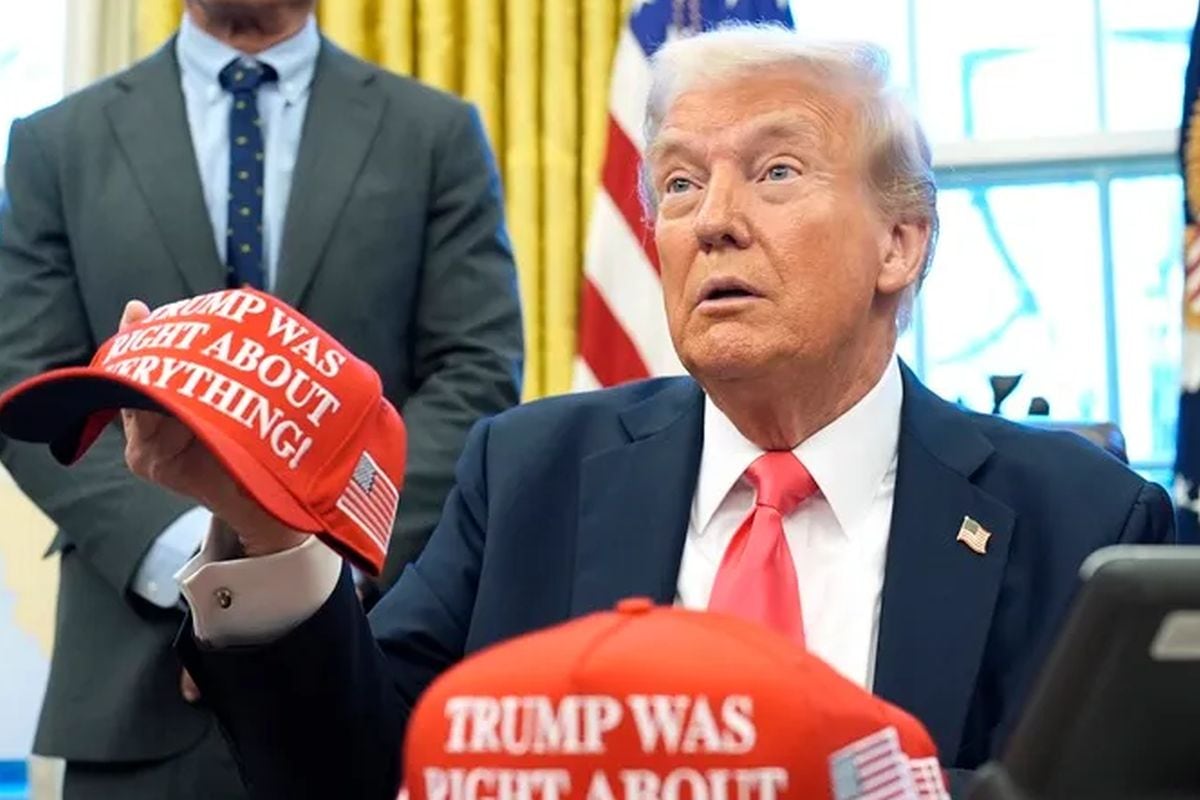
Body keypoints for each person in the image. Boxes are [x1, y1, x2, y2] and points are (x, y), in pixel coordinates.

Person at [123, 25, 1169, 800]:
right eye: (677, 184)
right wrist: (266, 525)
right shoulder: (529, 474)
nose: (713, 221)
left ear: (900, 244)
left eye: (776, 171)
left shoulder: (1086, 521)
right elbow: (358, 769)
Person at [0, 0, 522, 797]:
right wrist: (211, 573)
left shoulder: (436, 133)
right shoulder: (54, 142)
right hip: (132, 694)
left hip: (367, 664)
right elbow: (26, 377)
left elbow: (476, 370)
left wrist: (311, 568)